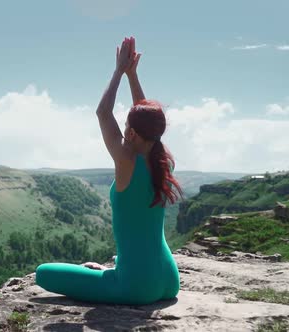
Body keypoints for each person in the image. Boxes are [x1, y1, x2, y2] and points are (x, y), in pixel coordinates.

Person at [35, 36, 185, 305]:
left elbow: (103, 113)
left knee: (43, 273)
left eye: (127, 124)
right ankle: (117, 270)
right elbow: (145, 118)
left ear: (130, 131)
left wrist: (119, 71)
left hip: (136, 286)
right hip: (169, 279)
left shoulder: (127, 160)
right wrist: (133, 76)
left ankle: (114, 273)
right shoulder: (164, 161)